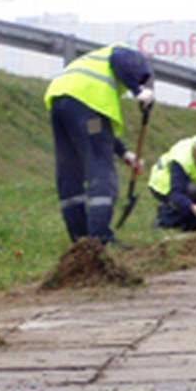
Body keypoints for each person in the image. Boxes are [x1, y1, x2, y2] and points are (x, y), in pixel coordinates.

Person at [44, 43, 153, 245]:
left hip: (60, 103)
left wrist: (125, 154)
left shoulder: (94, 65)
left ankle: (80, 241)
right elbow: (120, 58)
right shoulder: (124, 54)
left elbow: (100, 134)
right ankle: (99, 238)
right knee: (102, 170)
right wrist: (138, 90)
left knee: (70, 172)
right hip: (85, 103)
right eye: (140, 77)